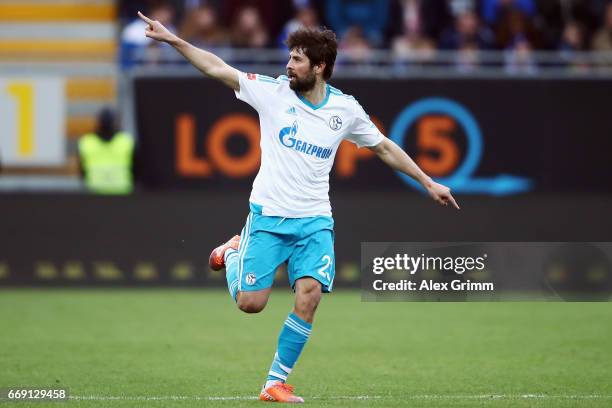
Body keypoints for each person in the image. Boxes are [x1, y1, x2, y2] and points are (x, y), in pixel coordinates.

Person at [137, 10, 459, 403]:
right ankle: (232, 252)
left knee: (310, 296)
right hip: (269, 217)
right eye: (289, 58)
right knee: (250, 304)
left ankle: (274, 382)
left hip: (315, 220)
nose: (288, 66)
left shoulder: (345, 109)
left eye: (297, 60)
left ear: (320, 67)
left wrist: (427, 182)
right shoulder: (273, 93)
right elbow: (219, 69)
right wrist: (174, 40)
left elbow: (385, 147)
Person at [78, 108, 135, 195]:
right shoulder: (127, 141)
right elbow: (136, 172)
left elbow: (82, 173)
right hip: (120, 194)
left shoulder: (86, 142)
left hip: (98, 194)